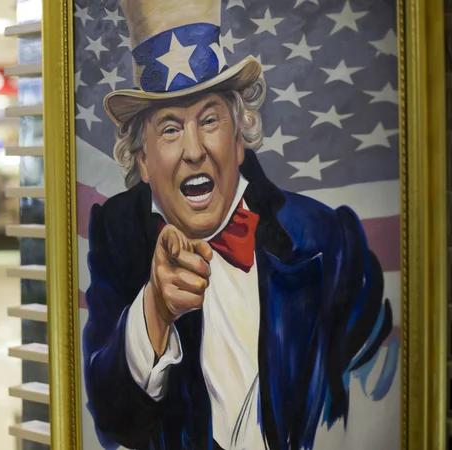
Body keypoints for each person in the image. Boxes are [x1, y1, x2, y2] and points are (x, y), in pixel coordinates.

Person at [82, 0, 396, 449]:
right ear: (143, 161)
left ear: (240, 136)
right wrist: (154, 309)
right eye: (170, 129)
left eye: (209, 120)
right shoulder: (117, 235)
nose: (193, 150)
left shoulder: (328, 239)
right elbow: (114, 422)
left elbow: (374, 392)